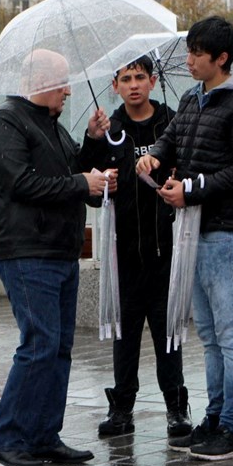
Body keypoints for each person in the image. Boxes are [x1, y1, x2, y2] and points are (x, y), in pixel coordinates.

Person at [136, 16, 233, 461]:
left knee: (232, 333)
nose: (190, 59)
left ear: (222, 59)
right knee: (211, 335)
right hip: (193, 232)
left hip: (227, 234)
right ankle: (214, 416)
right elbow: (170, 141)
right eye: (189, 51)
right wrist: (154, 160)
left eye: (197, 53)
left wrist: (192, 189)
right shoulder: (193, 101)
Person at [0, 48, 114, 466]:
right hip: (26, 251)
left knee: (58, 347)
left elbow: (70, 169)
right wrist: (81, 182)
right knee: (39, 343)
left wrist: (91, 143)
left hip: (60, 249)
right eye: (63, 83)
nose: (68, 92)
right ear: (41, 83)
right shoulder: (7, 123)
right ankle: (5, 437)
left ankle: (42, 435)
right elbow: (22, 183)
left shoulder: (51, 126)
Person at [79, 55, 191, 439]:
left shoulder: (172, 123)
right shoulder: (110, 129)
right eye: (125, 78)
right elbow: (88, 186)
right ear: (115, 85)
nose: (133, 85)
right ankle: (121, 409)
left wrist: (179, 177)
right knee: (124, 339)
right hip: (123, 255)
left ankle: (177, 409)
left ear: (153, 80)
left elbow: (190, 168)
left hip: (165, 252)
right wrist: (101, 174)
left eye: (140, 77)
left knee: (168, 336)